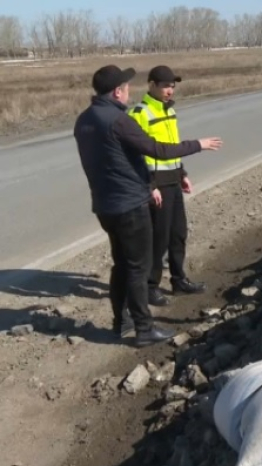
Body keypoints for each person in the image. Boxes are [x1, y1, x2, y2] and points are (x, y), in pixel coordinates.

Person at [73, 65, 222, 347]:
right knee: (138, 268)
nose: (129, 90)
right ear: (117, 92)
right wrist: (198, 144)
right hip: (130, 204)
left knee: (122, 265)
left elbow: (122, 157)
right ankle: (144, 329)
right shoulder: (119, 120)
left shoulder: (84, 120)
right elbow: (157, 150)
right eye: (126, 87)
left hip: (105, 206)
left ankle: (122, 323)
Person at [128, 65, 205, 307]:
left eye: (172, 86)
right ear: (151, 85)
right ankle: (150, 287)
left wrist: (182, 173)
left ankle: (179, 280)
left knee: (178, 234)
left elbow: (173, 146)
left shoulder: (169, 110)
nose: (170, 90)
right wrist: (150, 185)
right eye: (165, 86)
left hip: (172, 180)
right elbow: (136, 155)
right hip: (156, 183)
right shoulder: (139, 113)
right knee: (158, 238)